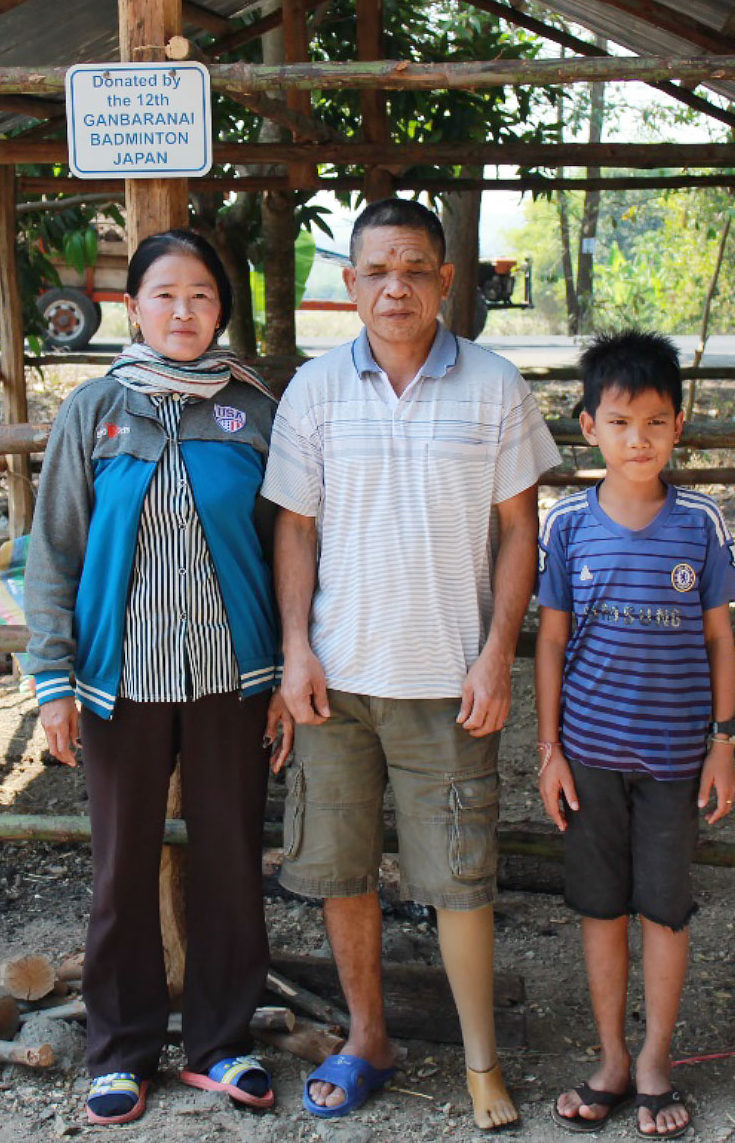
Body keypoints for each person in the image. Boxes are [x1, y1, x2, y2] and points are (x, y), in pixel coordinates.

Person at [261, 198, 560, 1130]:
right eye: (377, 270)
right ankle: (367, 1039)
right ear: (349, 285)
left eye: (416, 268)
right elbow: (295, 530)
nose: (397, 286)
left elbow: (519, 531)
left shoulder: (494, 384)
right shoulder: (314, 390)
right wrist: (296, 649)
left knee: (460, 875)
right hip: (338, 682)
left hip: (448, 679)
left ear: (444, 280)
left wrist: (494, 657)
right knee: (343, 870)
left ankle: (480, 1063)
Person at [24, 229, 293, 1126]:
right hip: (117, 681)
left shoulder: (253, 410)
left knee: (230, 863)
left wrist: (290, 672)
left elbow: (286, 549)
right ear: (133, 307)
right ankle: (121, 1051)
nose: (184, 312)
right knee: (120, 867)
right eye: (165, 295)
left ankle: (223, 1044)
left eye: (202, 297)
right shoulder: (93, 410)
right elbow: (55, 553)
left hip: (233, 674)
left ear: (222, 309)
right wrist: (52, 679)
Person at [535, 330, 735, 1139]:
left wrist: (722, 740)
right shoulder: (565, 523)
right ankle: (611, 1061)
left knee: (664, 912)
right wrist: (549, 751)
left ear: (678, 426)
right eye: (620, 422)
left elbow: (720, 638)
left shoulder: (698, 520)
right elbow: (551, 643)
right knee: (599, 910)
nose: (638, 439)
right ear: (588, 425)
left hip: (673, 762)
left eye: (655, 423)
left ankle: (657, 1060)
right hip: (587, 758)